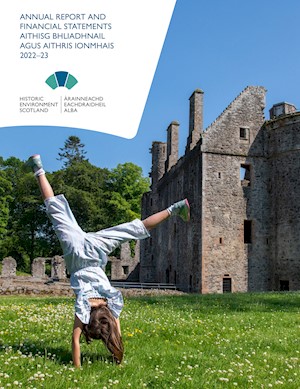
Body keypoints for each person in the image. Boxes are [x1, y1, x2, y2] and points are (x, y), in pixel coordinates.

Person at [26, 154, 190, 367]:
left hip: (95, 250)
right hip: (76, 251)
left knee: (135, 228)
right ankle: (38, 168)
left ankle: (174, 208)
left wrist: (118, 359)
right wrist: (77, 368)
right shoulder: (83, 307)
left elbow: (116, 336)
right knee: (53, 208)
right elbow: (75, 341)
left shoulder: (112, 306)